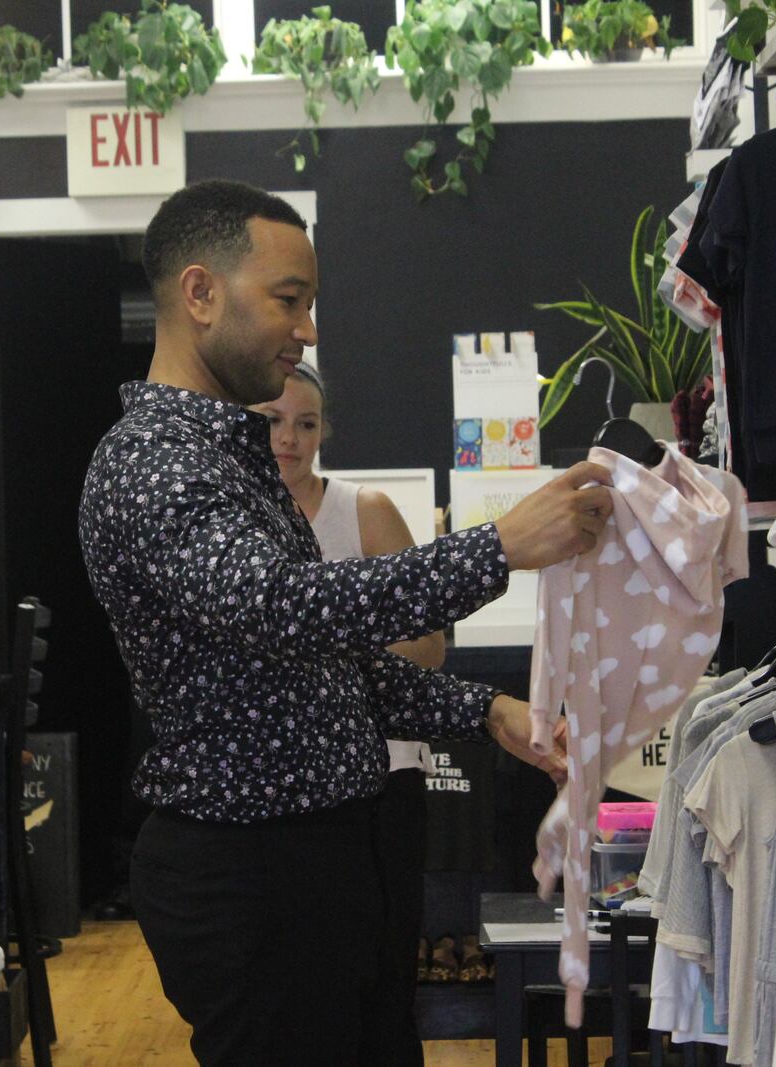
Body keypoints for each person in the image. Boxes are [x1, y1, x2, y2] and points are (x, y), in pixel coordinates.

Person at [78, 179, 612, 1067]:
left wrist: (484, 711)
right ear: (201, 293)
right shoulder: (152, 463)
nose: (309, 329)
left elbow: (319, 668)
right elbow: (282, 612)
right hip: (251, 875)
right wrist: (500, 548)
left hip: (315, 863)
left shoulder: (225, 458)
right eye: (289, 300)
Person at [252, 362, 442, 1067]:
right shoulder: (234, 527)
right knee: (300, 986)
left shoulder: (365, 511)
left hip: (383, 774)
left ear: (325, 430)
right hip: (281, 791)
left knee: (386, 975)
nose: (289, 439)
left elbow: (429, 645)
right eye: (275, 420)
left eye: (306, 423)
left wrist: (336, 644)